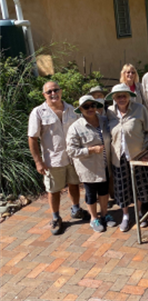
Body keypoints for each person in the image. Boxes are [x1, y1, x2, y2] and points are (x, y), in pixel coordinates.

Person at [28, 81, 88, 235]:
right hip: (52, 160)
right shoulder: (38, 112)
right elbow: (32, 138)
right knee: (53, 190)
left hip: (73, 156)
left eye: (56, 90)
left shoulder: (72, 110)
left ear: (61, 91)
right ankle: (56, 218)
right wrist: (38, 161)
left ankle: (76, 209)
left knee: (74, 184)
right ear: (44, 95)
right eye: (49, 92)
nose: (53, 93)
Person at [106, 84, 148, 232]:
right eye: (118, 96)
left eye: (124, 95)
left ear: (129, 96)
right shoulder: (109, 112)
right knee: (122, 187)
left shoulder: (139, 109)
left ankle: (140, 212)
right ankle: (126, 215)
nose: (121, 98)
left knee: (139, 184)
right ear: (114, 98)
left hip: (137, 154)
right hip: (118, 156)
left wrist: (144, 150)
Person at [66, 95, 116, 232]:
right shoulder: (75, 128)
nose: (90, 109)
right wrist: (90, 150)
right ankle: (94, 218)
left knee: (104, 191)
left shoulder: (104, 121)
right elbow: (71, 150)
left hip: (104, 163)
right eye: (86, 107)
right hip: (89, 168)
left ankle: (105, 214)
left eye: (92, 106)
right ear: (80, 109)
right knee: (91, 193)